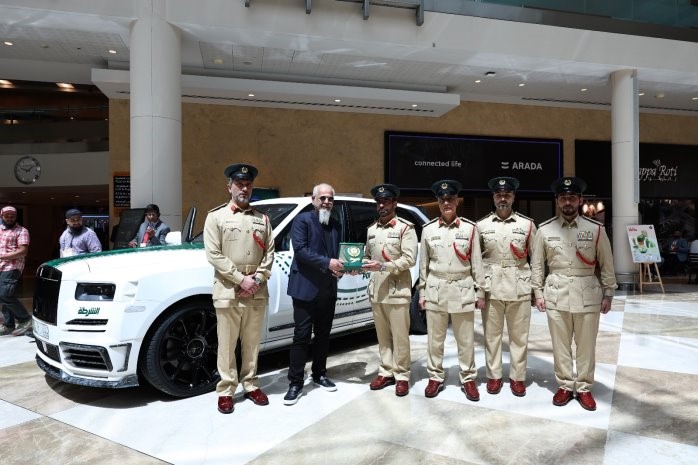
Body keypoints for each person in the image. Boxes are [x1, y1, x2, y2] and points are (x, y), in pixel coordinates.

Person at [530, 176, 617, 411]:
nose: (567, 202)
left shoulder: (595, 230)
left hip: (588, 294)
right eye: (563, 198)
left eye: (572, 198)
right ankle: (566, 385)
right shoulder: (545, 230)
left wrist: (609, 292)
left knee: (586, 345)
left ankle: (585, 387)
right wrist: (538, 292)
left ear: (580, 200)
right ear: (557, 201)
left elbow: (607, 263)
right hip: (556, 294)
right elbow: (537, 264)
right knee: (560, 345)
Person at [203, 163, 275, 414]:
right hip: (228, 290)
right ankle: (226, 390)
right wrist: (240, 279)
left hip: (256, 291)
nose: (244, 188)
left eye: (248, 185)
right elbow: (213, 254)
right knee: (226, 344)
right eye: (239, 184)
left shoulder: (262, 219)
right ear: (229, 187)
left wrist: (256, 280)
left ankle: (251, 384)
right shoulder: (216, 217)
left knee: (252, 343)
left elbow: (269, 253)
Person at [418, 180, 486, 401]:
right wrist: (422, 293)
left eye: (450, 199)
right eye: (442, 200)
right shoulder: (428, 230)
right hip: (436, 289)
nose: (446, 203)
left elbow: (477, 263)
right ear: (438, 203)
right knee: (434, 340)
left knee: (465, 340)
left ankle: (468, 378)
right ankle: (435, 377)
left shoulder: (470, 229)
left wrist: (480, 292)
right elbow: (423, 265)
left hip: (462, 289)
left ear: (457, 201)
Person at [284, 183, 344, 405]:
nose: (327, 202)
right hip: (305, 288)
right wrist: (328, 263)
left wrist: (342, 268)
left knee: (323, 335)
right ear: (313, 200)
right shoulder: (302, 220)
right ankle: (295, 383)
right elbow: (301, 251)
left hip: (328, 289)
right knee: (301, 336)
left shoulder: (335, 224)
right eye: (322, 198)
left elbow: (338, 254)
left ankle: (319, 374)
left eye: (330, 199)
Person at [476, 177, 537, 397]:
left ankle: (517, 377)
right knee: (492, 336)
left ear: (513, 197)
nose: (503, 198)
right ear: (493, 197)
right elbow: (476, 262)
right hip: (491, 287)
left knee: (519, 337)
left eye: (507, 195)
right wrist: (479, 291)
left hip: (519, 286)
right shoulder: (481, 226)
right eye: (499, 195)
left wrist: (537, 291)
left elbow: (536, 260)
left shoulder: (527, 225)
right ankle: (494, 376)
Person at [362, 183, 418, 397]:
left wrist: (384, 266)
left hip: (397, 290)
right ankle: (386, 371)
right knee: (383, 336)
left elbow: (409, 259)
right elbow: (368, 256)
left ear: (394, 203)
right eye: (379, 202)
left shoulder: (405, 228)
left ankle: (402, 375)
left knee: (400, 336)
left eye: (386, 201)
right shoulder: (371, 230)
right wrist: (358, 265)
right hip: (377, 290)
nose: (382, 205)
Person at [0, 206, 32, 336]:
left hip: (13, 266)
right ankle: (9, 325)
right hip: (1, 266)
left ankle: (25, 319)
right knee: (3, 296)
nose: (10, 218)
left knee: (5, 294)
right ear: (2, 216)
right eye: (7, 216)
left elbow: (23, 251)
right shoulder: (0, 229)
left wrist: (2, 257)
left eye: (12, 216)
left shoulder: (22, 231)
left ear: (16, 217)